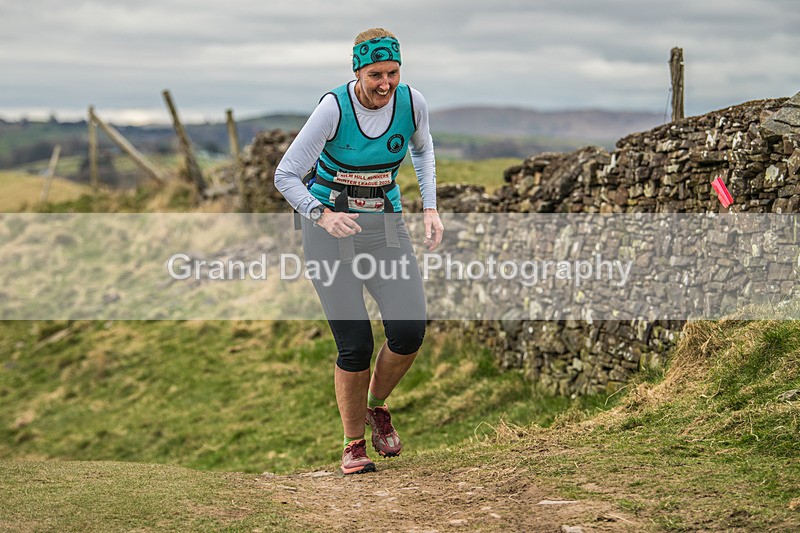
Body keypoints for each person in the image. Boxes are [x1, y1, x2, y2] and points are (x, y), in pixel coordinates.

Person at [274, 28, 444, 475]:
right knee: (355, 343)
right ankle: (353, 445)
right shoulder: (333, 107)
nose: (385, 84)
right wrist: (322, 214)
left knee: (409, 331)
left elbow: (422, 153)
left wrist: (430, 207)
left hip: (384, 226)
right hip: (329, 232)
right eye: (375, 75)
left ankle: (375, 406)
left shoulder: (412, 103)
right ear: (357, 71)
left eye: (392, 73)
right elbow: (286, 174)